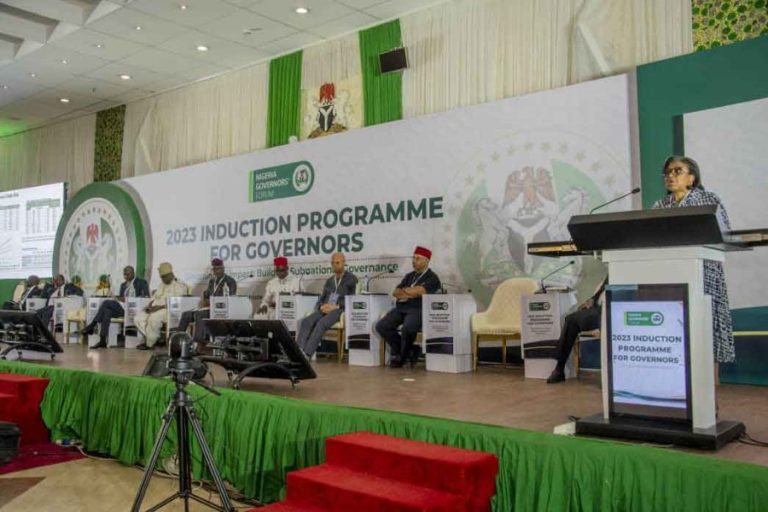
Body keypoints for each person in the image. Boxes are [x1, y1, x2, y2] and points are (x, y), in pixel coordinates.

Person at [652, 155, 735, 365]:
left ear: (692, 178)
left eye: (677, 171)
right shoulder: (660, 205)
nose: (671, 176)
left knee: (705, 335)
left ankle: (708, 395)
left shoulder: (708, 200)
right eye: (668, 172)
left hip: (704, 271)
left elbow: (724, 234)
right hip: (671, 274)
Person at [376, 246, 441, 367]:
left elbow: (420, 291)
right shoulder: (409, 276)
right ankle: (410, 350)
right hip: (401, 308)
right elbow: (395, 292)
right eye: (413, 258)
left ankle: (402, 356)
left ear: (426, 261)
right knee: (381, 326)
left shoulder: (432, 278)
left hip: (418, 309)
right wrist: (411, 292)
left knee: (408, 328)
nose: (414, 261)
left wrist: (407, 292)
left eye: (418, 258)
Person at [297, 252, 357, 357]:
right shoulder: (329, 281)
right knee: (306, 321)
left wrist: (336, 306)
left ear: (343, 263)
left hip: (339, 310)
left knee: (321, 323)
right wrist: (321, 306)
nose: (335, 265)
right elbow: (322, 298)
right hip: (325, 308)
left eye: (337, 262)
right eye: (333, 263)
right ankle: (298, 351)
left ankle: (307, 353)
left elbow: (352, 299)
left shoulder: (351, 279)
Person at [546, 278, 606, 383]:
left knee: (605, 323)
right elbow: (601, 290)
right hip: (597, 309)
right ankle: (559, 369)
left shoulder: (624, 270)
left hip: (610, 309)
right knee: (571, 320)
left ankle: (608, 376)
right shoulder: (609, 273)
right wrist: (591, 300)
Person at [81, 266, 149, 349]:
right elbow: (121, 298)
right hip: (122, 308)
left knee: (106, 305)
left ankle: (92, 326)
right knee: (107, 310)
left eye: (128, 274)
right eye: (124, 274)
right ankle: (102, 340)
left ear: (133, 273)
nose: (126, 276)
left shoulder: (141, 282)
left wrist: (129, 299)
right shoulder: (123, 285)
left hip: (134, 308)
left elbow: (146, 297)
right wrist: (117, 298)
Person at [174, 258, 237, 342]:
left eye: (218, 269)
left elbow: (230, 300)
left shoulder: (230, 281)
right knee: (186, 314)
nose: (215, 271)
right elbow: (207, 294)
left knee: (200, 314)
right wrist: (205, 299)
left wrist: (213, 303)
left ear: (223, 269)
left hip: (220, 311)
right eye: (214, 269)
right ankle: (177, 341)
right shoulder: (212, 281)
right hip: (208, 308)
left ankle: (198, 343)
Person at [134, 262, 189, 350]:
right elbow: (154, 297)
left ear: (171, 274)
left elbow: (177, 303)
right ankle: (156, 338)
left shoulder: (179, 286)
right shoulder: (161, 285)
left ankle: (150, 344)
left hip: (167, 310)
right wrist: (149, 305)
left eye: (165, 276)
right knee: (138, 319)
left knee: (154, 319)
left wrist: (158, 308)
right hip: (154, 309)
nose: (163, 279)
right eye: (162, 277)